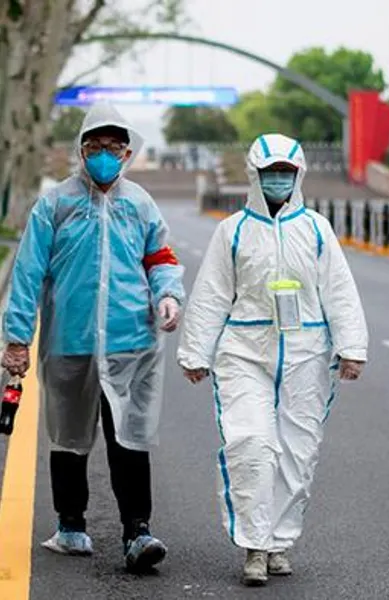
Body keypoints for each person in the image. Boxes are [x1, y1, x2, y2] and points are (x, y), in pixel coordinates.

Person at [177, 133, 368, 587]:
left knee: (297, 452)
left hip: (307, 354)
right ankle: (254, 547)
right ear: (254, 176)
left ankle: (279, 540)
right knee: (251, 445)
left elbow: (339, 292)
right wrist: (195, 352)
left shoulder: (317, 230)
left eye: (286, 172)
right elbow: (211, 296)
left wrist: (352, 348)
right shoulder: (233, 231)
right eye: (270, 173)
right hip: (244, 353)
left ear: (298, 175)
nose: (278, 180)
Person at [1, 102, 185, 572]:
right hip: (70, 341)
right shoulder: (56, 205)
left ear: (126, 153)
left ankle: (137, 532)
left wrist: (168, 295)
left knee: (129, 438)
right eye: (95, 146)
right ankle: (70, 525)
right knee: (68, 437)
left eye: (113, 147)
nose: (104, 155)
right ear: (80, 150)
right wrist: (17, 339)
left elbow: (160, 257)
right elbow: (26, 273)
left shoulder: (140, 203)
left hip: (130, 343)